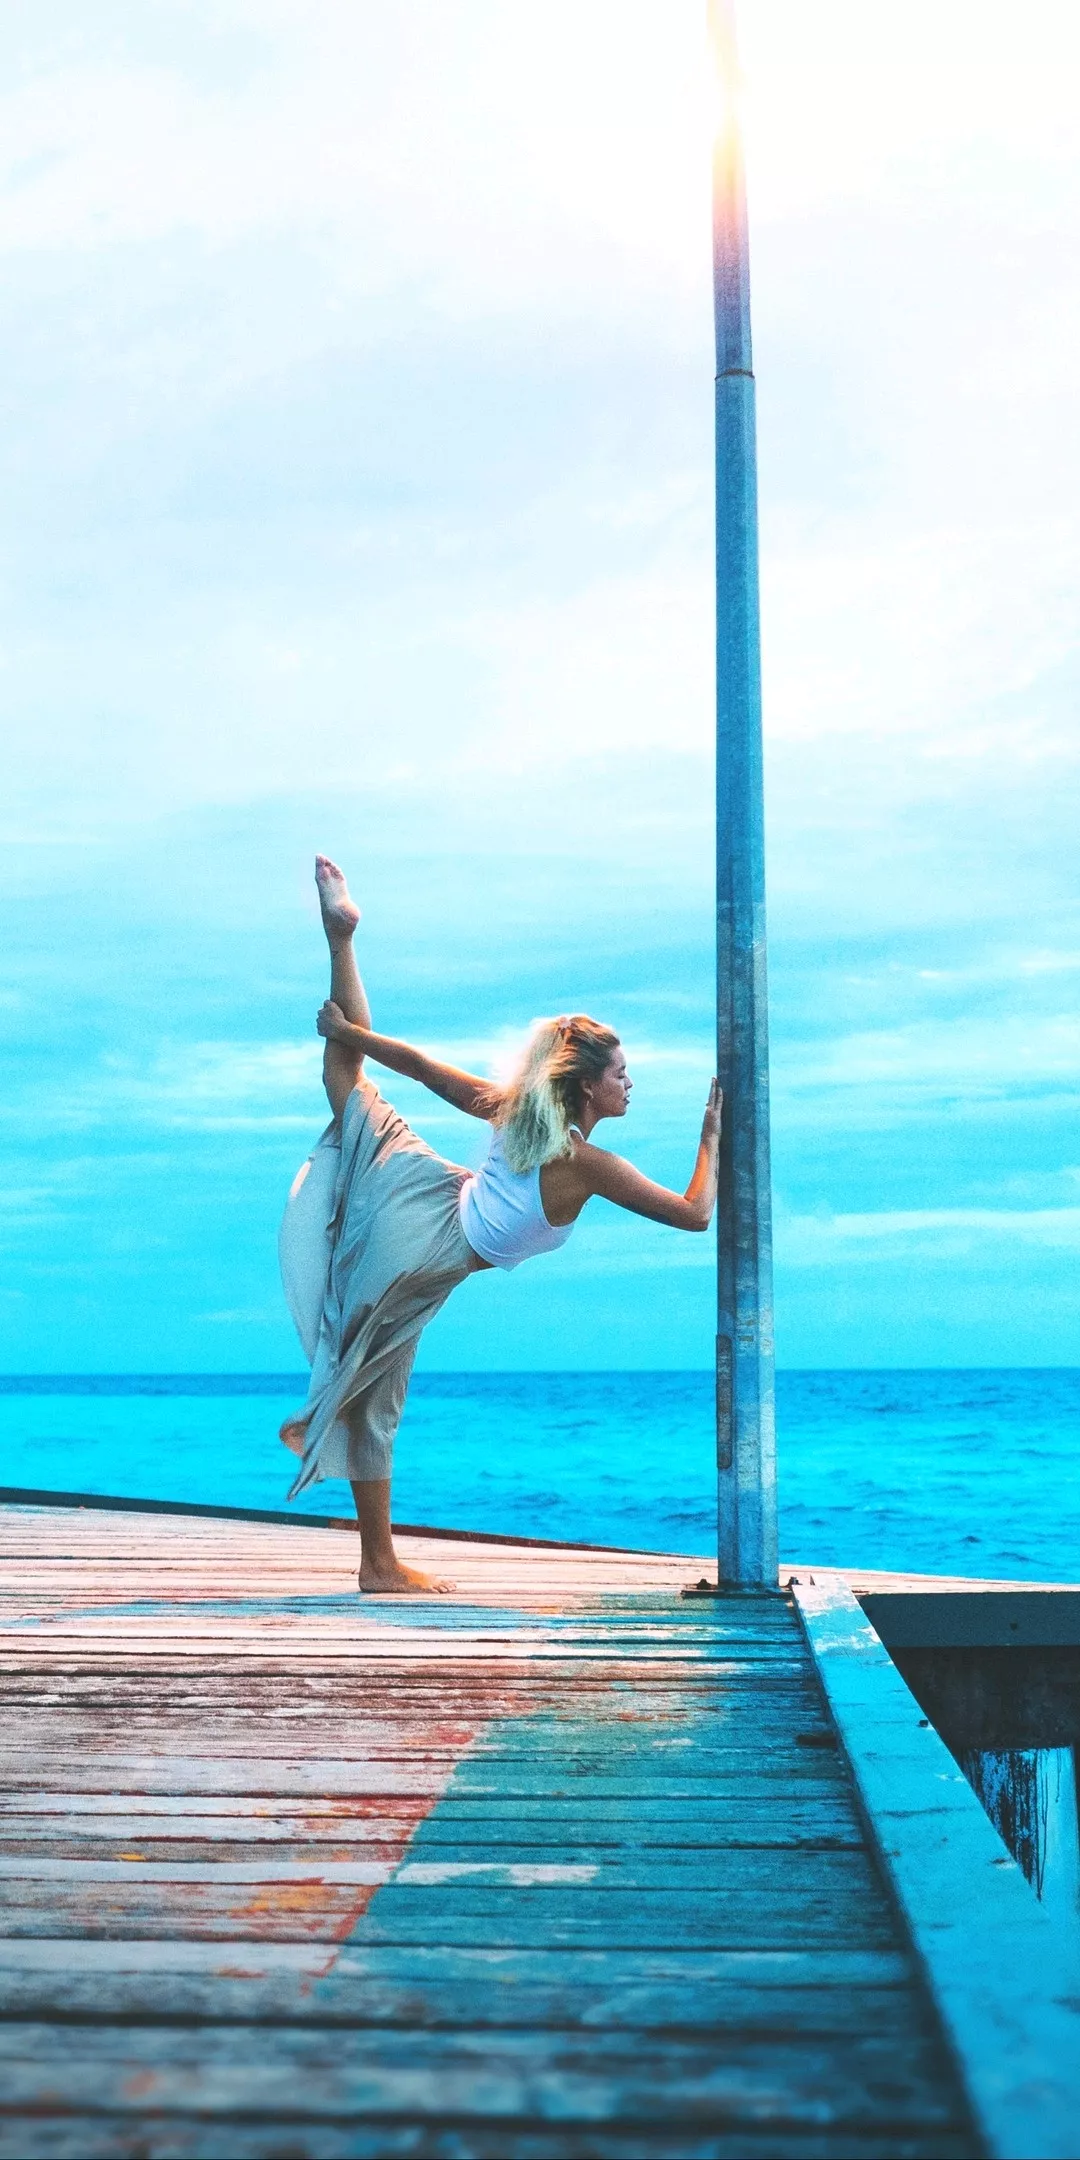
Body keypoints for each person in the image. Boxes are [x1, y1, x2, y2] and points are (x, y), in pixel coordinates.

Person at [279, 855, 722, 1594]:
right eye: (620, 1075)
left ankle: (341, 938)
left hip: (430, 1198)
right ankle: (378, 1566)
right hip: (429, 1247)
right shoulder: (589, 1164)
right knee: (372, 1398)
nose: (630, 1083)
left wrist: (346, 1033)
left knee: (345, 1082)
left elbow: (421, 1067)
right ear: (587, 1086)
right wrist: (713, 1138)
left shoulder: (517, 1112)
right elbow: (695, 1215)